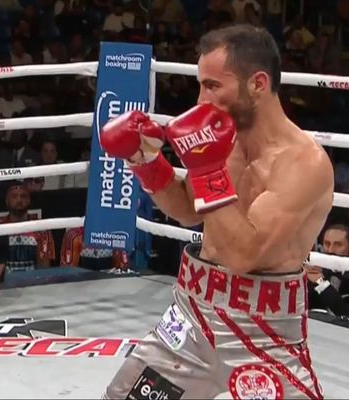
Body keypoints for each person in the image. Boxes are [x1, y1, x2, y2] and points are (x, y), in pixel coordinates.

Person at [100, 24, 333, 399]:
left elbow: (243, 255)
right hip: (190, 317)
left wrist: (207, 169)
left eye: (212, 86)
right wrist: (145, 160)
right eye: (201, 84)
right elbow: (188, 212)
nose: (201, 99)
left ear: (257, 83)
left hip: (263, 332)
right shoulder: (222, 139)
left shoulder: (303, 163)